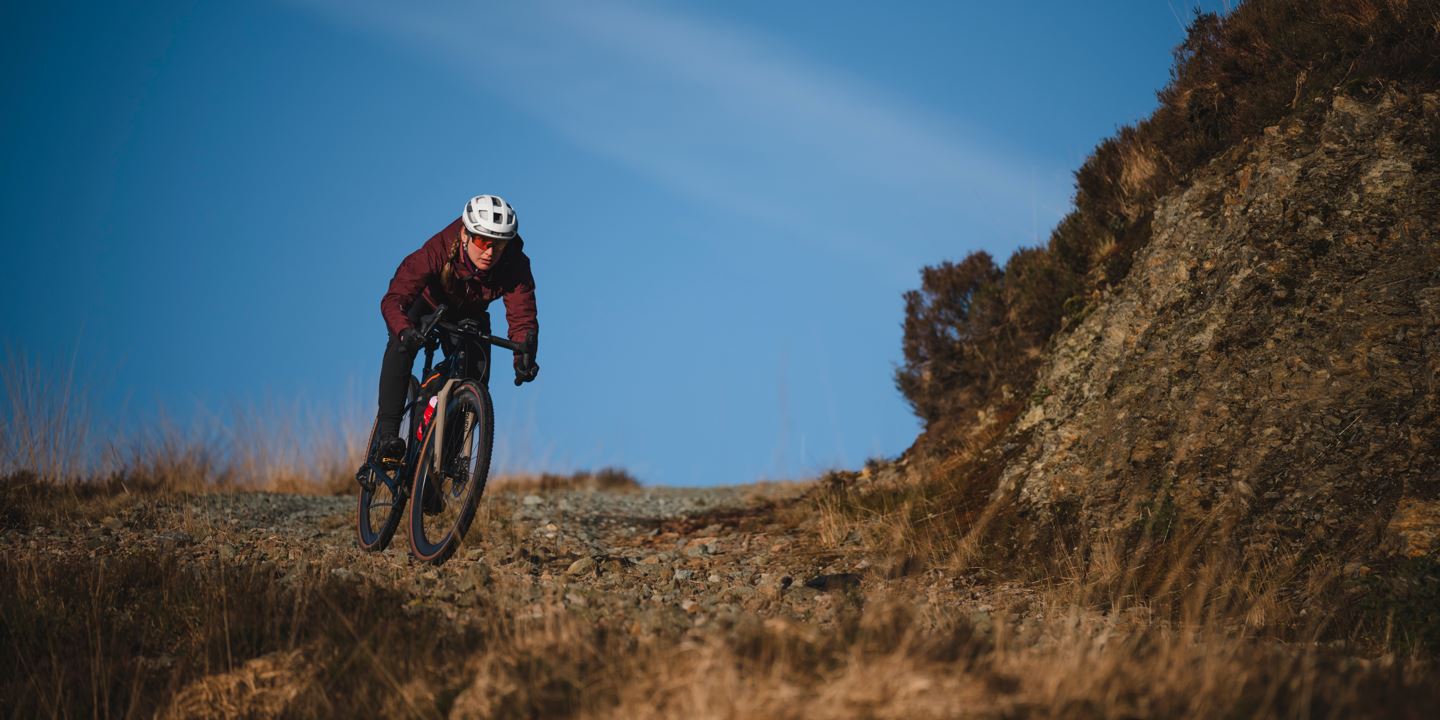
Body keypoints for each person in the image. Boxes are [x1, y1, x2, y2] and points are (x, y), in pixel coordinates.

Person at [372, 194, 539, 464]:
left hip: (469, 313)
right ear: (466, 234)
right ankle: (387, 436)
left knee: (476, 378)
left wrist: (523, 358)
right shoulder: (439, 248)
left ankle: (440, 466)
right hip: (425, 303)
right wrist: (405, 330)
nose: (490, 252)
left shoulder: (515, 264)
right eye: (484, 242)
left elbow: (523, 316)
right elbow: (394, 300)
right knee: (400, 346)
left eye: (500, 245)